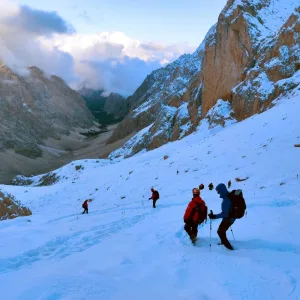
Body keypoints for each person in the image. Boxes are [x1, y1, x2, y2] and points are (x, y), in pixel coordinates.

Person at [208, 183, 235, 250]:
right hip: (229, 217)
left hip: (229, 218)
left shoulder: (226, 200)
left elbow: (224, 214)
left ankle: (229, 248)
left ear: (221, 190)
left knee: (220, 232)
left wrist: (214, 216)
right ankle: (223, 242)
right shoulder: (227, 197)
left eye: (218, 191)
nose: (217, 193)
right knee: (222, 230)